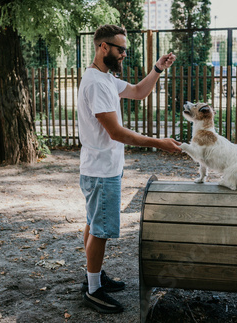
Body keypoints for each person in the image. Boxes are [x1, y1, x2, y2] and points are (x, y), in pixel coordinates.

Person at [77, 24, 181, 314]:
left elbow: (137, 92)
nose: (124, 54)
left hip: (101, 167)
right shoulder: (97, 83)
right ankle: (94, 290)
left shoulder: (105, 78)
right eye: (120, 48)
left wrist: (157, 69)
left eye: (125, 49)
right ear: (103, 47)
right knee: (100, 229)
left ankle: (92, 276)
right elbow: (117, 133)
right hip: (101, 169)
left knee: (92, 221)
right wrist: (158, 143)